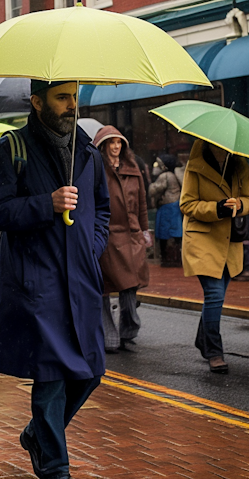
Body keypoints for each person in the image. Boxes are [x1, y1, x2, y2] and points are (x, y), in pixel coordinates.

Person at [0, 80, 110, 479]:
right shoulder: (8, 149)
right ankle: (56, 467)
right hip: (36, 278)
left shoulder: (88, 151)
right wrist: (46, 204)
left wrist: (93, 245)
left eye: (74, 96)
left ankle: (38, 434)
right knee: (51, 375)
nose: (72, 105)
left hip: (81, 277)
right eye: (62, 97)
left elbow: (102, 208)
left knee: (90, 371)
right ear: (37, 102)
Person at [180, 139, 249, 374]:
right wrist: (217, 208)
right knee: (213, 294)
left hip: (229, 240)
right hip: (202, 238)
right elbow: (187, 204)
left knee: (218, 295)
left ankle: (202, 340)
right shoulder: (195, 166)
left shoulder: (239, 165)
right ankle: (214, 351)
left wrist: (238, 205)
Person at [93, 125, 149, 354]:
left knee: (130, 286)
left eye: (119, 143)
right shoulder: (96, 169)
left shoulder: (133, 168)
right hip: (107, 235)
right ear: (103, 146)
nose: (116, 147)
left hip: (132, 234)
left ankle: (128, 330)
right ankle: (109, 338)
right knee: (105, 287)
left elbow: (143, 203)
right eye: (111, 143)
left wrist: (145, 230)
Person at [150, 154, 183, 267]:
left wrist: (151, 186)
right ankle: (176, 258)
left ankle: (167, 259)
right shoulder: (175, 174)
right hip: (176, 206)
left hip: (166, 208)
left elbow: (153, 190)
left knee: (164, 233)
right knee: (176, 233)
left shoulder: (165, 176)